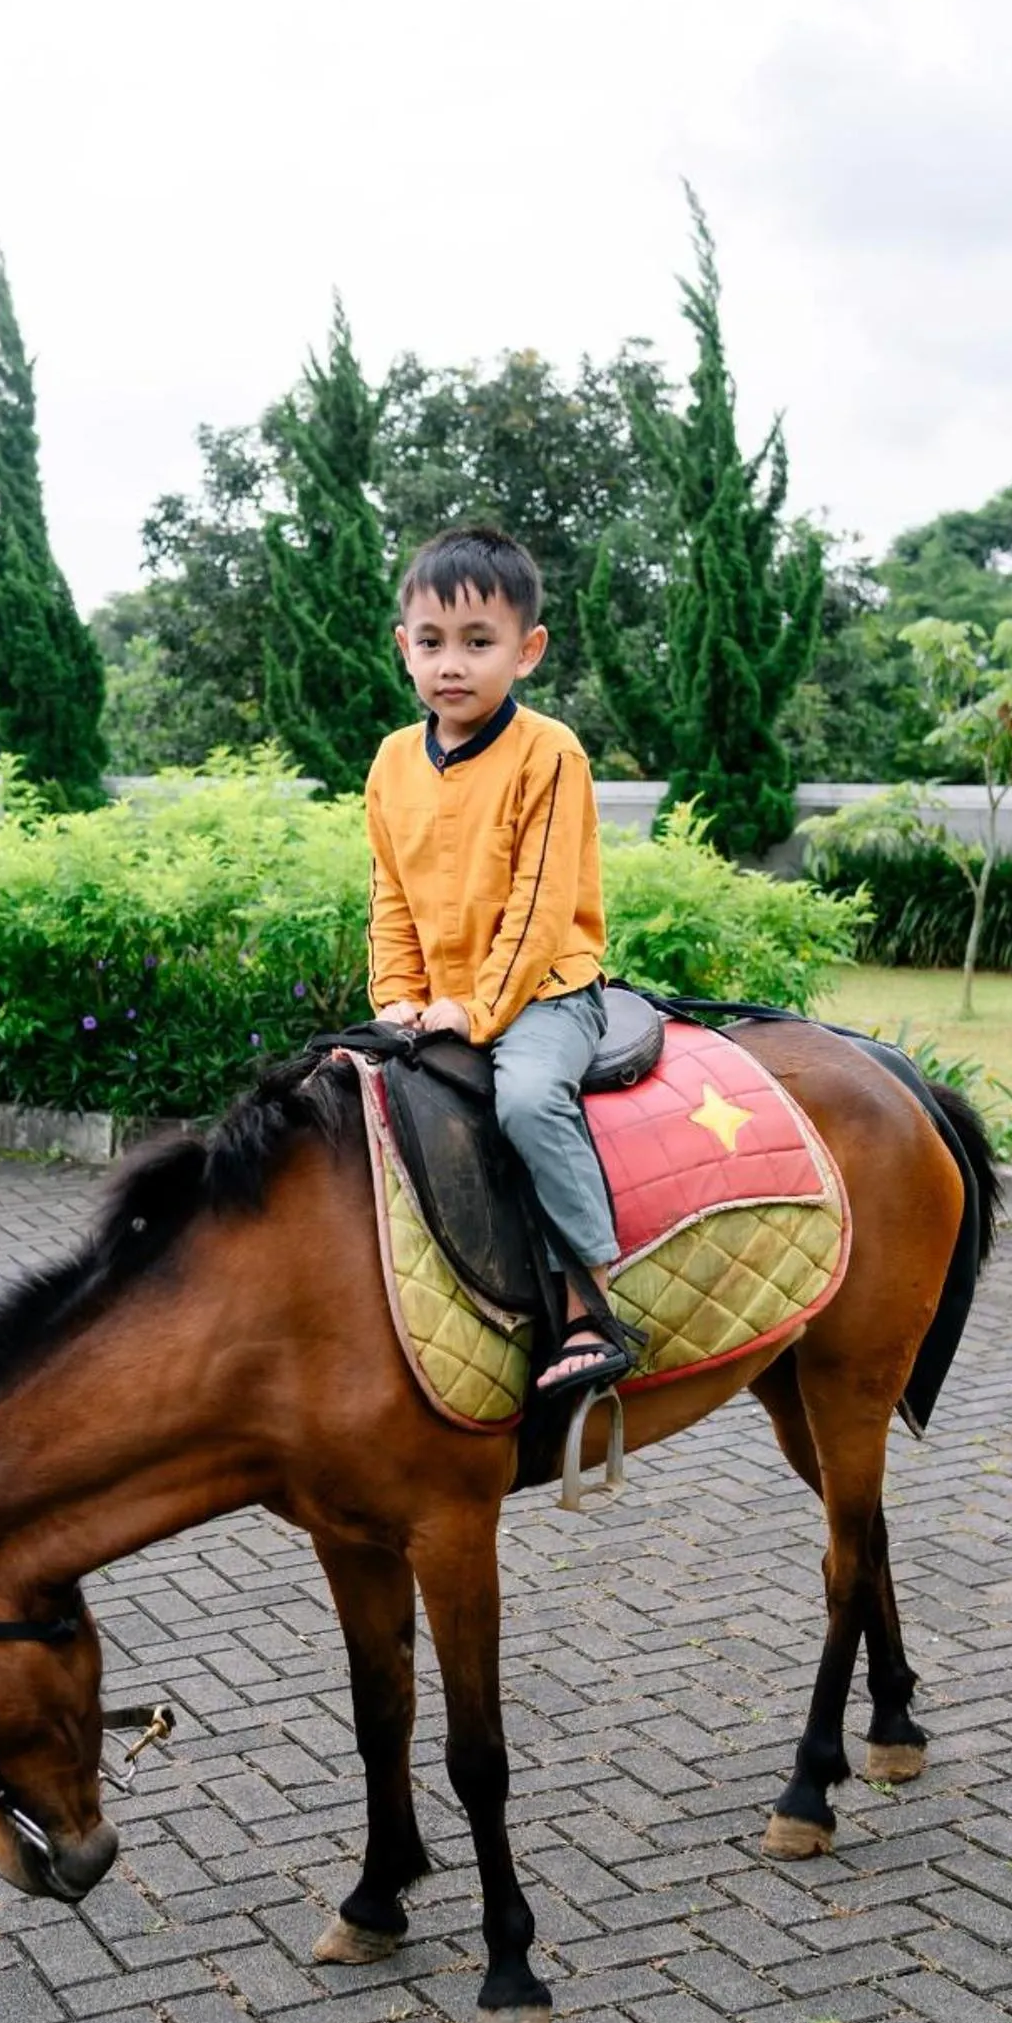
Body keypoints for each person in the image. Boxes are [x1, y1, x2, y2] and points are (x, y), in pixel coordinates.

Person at [365, 523, 626, 1397]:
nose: (453, 664)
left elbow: (540, 907)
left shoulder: (549, 752)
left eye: (479, 643)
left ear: (527, 651)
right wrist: (397, 995)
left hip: (548, 991)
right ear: (404, 648)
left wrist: (478, 1012)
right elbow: (391, 895)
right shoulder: (394, 762)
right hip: (438, 996)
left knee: (524, 1098)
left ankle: (590, 1301)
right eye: (432, 642)